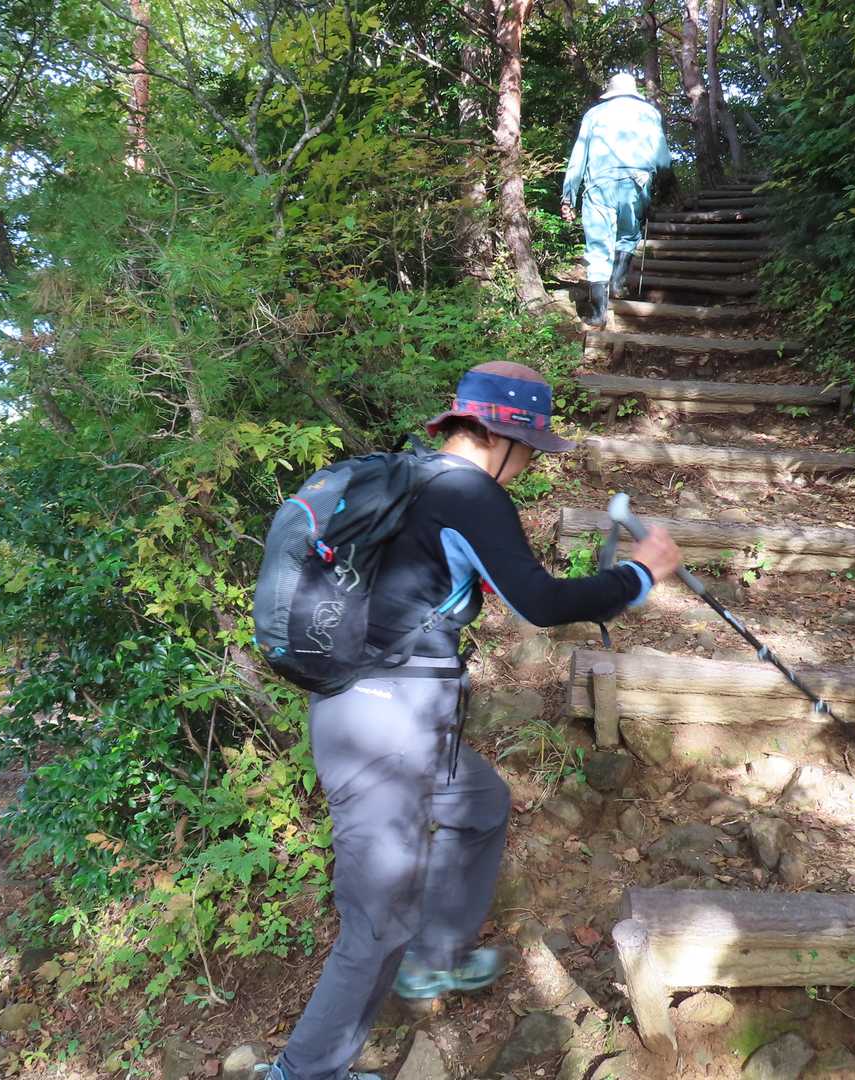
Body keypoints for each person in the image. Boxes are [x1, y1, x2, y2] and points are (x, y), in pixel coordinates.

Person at [257, 361, 682, 1080]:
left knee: (481, 804)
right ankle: (302, 1073)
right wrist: (638, 574)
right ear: (501, 438)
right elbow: (541, 604)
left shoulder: (416, 482)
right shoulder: (468, 492)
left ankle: (434, 957)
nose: (529, 465)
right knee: (377, 921)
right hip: (387, 726)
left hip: (399, 718)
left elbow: (459, 584)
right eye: (530, 450)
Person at [560, 72, 674, 329]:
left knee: (598, 245)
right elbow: (663, 157)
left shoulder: (594, 114)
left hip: (599, 185)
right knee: (628, 235)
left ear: (610, 92)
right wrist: (665, 188)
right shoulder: (649, 113)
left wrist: (569, 196)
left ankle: (598, 312)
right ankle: (617, 283)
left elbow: (579, 157)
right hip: (637, 183)